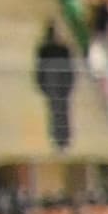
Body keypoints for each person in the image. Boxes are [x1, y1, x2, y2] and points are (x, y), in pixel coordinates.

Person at [33, 23, 74, 151]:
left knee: (60, 111)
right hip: (54, 82)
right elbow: (40, 69)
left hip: (59, 82)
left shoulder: (59, 49)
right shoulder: (46, 49)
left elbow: (70, 67)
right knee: (57, 111)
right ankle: (59, 139)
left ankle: (62, 139)